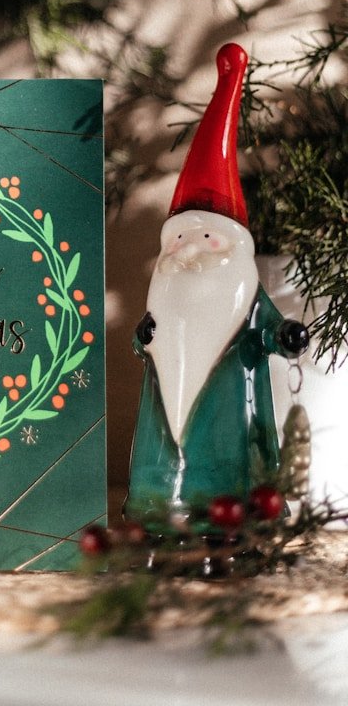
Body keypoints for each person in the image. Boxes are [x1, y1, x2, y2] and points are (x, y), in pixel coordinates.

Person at [124, 43, 308, 530]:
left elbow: (272, 332)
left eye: (206, 237)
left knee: (232, 465)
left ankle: (234, 517)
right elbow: (144, 340)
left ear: (233, 243)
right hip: (163, 417)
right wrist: (143, 337)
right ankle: (157, 509)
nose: (189, 249)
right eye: (180, 237)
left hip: (234, 414)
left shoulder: (244, 292)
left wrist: (285, 335)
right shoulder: (165, 291)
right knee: (160, 457)